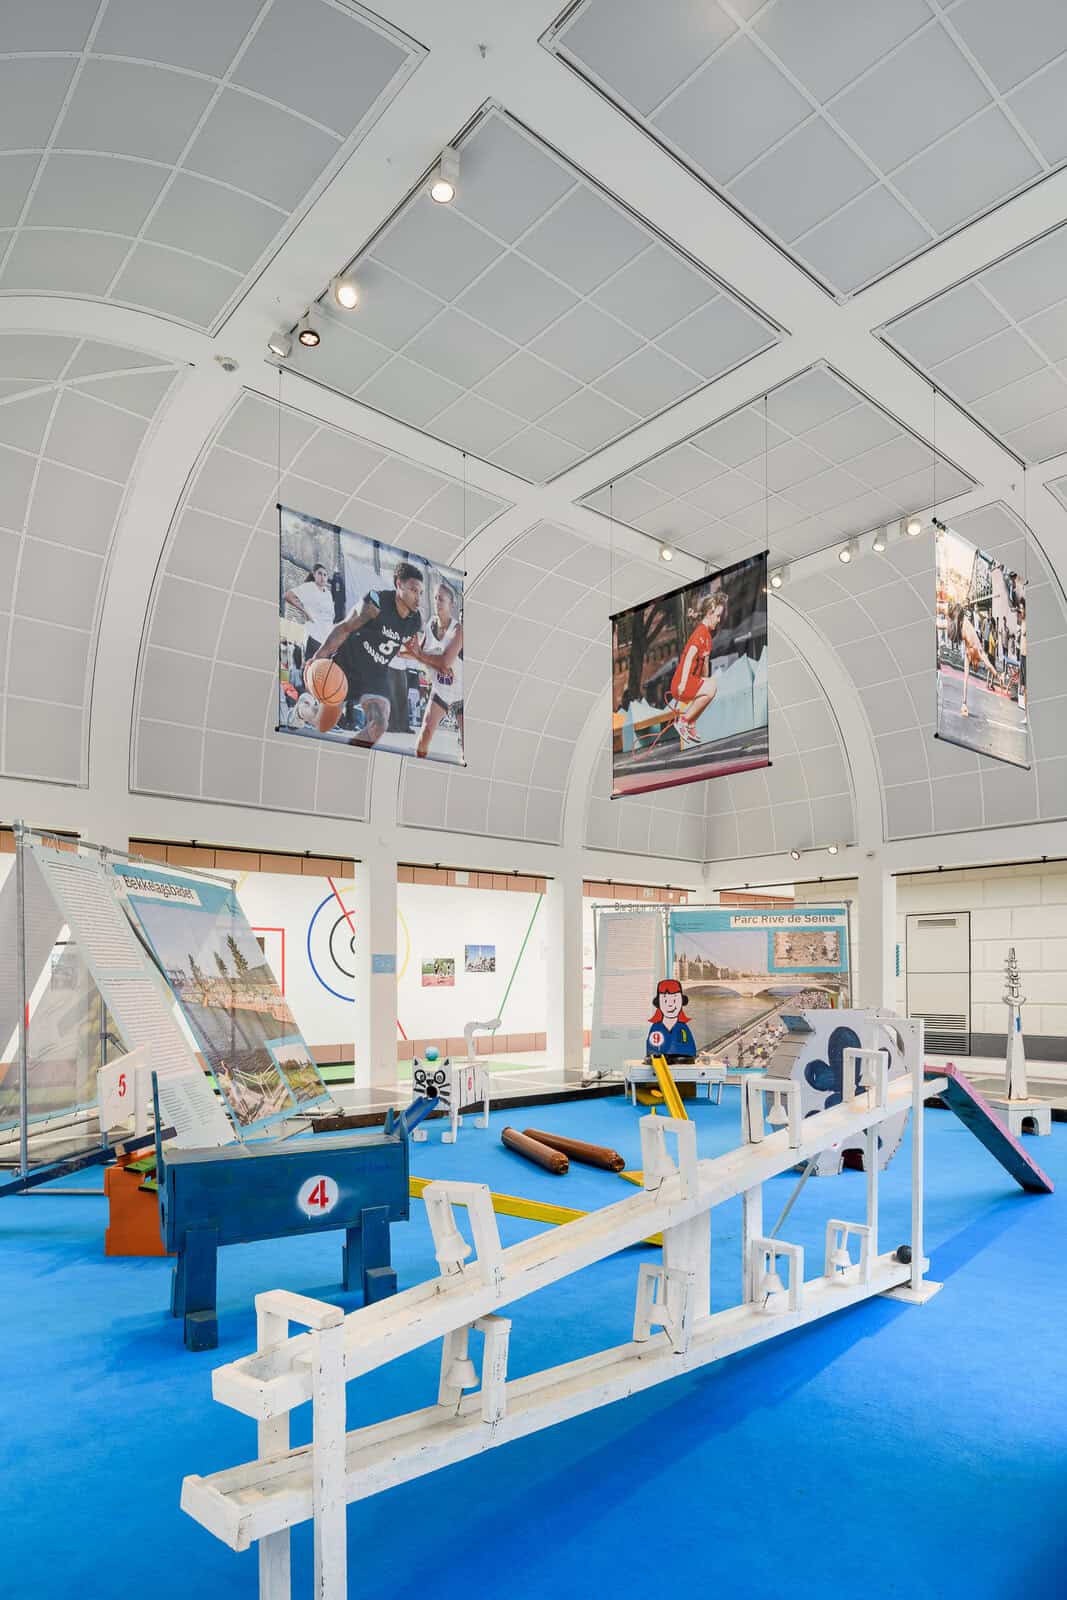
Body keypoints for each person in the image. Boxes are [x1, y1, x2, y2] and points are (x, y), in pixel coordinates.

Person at [307, 561, 425, 746]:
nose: (418, 598)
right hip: (347, 666)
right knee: (322, 724)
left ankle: (350, 754)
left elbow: (406, 649)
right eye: (413, 590)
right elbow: (344, 628)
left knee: (379, 724)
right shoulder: (375, 602)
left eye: (421, 593)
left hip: (376, 675)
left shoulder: (415, 621)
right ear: (399, 585)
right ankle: (302, 711)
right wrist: (318, 657)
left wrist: (416, 653)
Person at [402, 579, 464, 759]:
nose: (437, 602)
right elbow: (418, 653)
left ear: (451, 604)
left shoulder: (459, 631)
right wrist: (402, 650)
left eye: (441, 599)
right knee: (425, 733)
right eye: (435, 598)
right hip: (441, 691)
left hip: (462, 695)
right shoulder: (430, 625)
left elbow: (445, 663)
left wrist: (419, 654)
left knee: (467, 746)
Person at [669, 590, 727, 750]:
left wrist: (705, 682)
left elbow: (705, 665)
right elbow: (688, 657)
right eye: (717, 616)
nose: (719, 620)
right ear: (709, 613)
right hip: (681, 683)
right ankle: (683, 721)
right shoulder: (700, 633)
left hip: (690, 681)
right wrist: (683, 683)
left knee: (711, 687)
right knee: (712, 686)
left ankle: (690, 723)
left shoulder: (707, 636)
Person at [948, 601, 1003, 718]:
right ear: (976, 661)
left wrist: (964, 703)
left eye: (975, 664)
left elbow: (966, 679)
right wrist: (998, 676)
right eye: (976, 664)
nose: (975, 664)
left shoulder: (969, 655)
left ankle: (963, 704)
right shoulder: (979, 652)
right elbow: (988, 664)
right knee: (954, 626)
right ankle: (952, 614)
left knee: (965, 677)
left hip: (963, 630)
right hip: (963, 624)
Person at [284, 563, 336, 661]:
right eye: (319, 573)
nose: (322, 577)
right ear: (314, 575)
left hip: (326, 641)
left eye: (325, 575)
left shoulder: (328, 593)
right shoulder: (310, 587)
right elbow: (288, 595)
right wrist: (305, 611)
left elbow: (331, 617)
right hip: (313, 636)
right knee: (311, 667)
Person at [646, 978, 697, 1063]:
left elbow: (688, 1051)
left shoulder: (682, 1028)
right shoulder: (656, 1027)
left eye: (674, 1000)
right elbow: (652, 1050)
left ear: (682, 1001)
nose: (670, 1004)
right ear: (658, 1003)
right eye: (665, 1000)